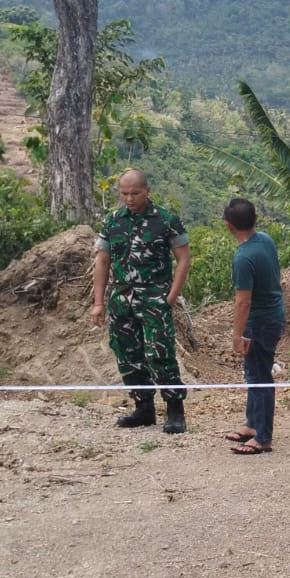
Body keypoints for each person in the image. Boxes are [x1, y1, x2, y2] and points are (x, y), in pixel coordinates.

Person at [89, 170, 191, 434]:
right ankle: (143, 407)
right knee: (127, 354)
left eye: (135, 193)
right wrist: (98, 302)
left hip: (154, 298)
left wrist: (171, 296)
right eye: (124, 194)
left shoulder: (167, 220)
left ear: (147, 191)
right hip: (121, 298)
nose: (129, 199)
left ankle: (175, 410)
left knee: (160, 352)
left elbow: (183, 259)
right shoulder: (112, 221)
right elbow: (102, 261)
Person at [221, 198, 285, 456]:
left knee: (259, 377)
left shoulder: (243, 257)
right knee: (254, 372)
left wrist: (237, 334)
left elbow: (243, 301)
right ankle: (252, 425)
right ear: (255, 219)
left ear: (228, 225)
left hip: (259, 322)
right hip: (273, 315)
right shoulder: (266, 240)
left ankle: (263, 438)